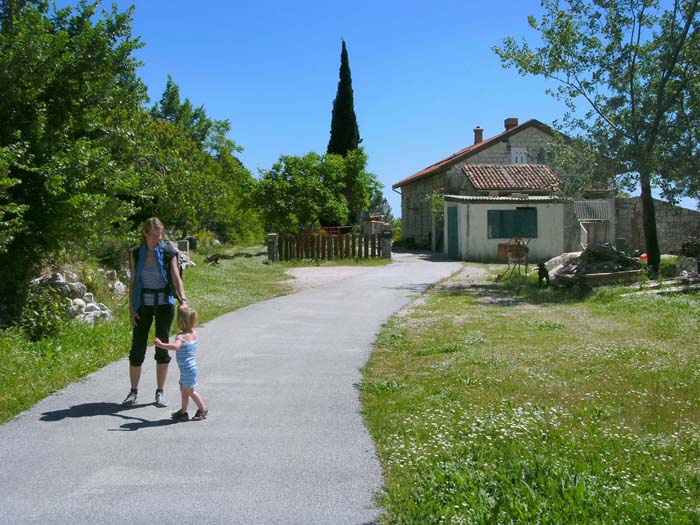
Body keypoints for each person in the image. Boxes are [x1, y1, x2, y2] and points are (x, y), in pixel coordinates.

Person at [121, 217, 188, 408]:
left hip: (164, 305)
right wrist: (131, 309)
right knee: (137, 349)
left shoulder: (169, 252)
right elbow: (133, 282)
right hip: (143, 305)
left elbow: (176, 278)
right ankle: (133, 392)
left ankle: (160, 392)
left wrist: (183, 300)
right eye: (153, 236)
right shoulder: (135, 253)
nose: (156, 240)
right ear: (145, 233)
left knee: (163, 347)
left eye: (159, 236)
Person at [154, 305, 208, 421]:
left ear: (180, 321)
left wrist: (161, 345)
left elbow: (176, 347)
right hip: (189, 368)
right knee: (183, 390)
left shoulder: (181, 336)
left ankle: (203, 409)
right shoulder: (193, 333)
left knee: (190, 391)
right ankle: (183, 411)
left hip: (187, 369)